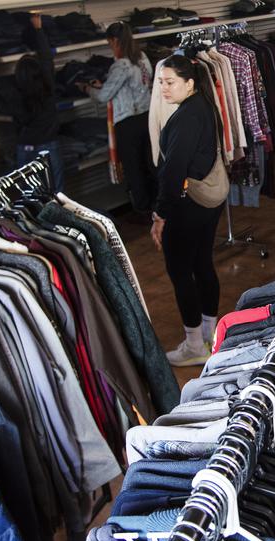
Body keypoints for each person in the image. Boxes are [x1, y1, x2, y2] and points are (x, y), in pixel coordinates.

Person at [150, 55, 226, 367]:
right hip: (208, 200)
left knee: (181, 269)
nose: (164, 89)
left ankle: (195, 344)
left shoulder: (185, 117)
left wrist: (160, 215)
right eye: (161, 82)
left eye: (170, 82)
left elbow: (173, 171)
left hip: (188, 203)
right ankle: (210, 335)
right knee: (202, 263)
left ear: (189, 83)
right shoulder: (204, 105)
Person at [0, 13, 64, 193]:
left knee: (29, 198)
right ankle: (59, 221)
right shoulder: (47, 85)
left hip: (25, 148)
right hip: (50, 146)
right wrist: (39, 29)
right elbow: (47, 58)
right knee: (57, 195)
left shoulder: (13, 95)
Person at [78, 21, 155, 214]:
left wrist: (87, 88)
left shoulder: (121, 65)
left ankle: (143, 210)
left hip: (127, 122)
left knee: (133, 169)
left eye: (109, 42)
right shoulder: (143, 59)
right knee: (149, 164)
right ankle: (157, 206)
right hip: (146, 117)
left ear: (113, 40)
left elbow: (104, 96)